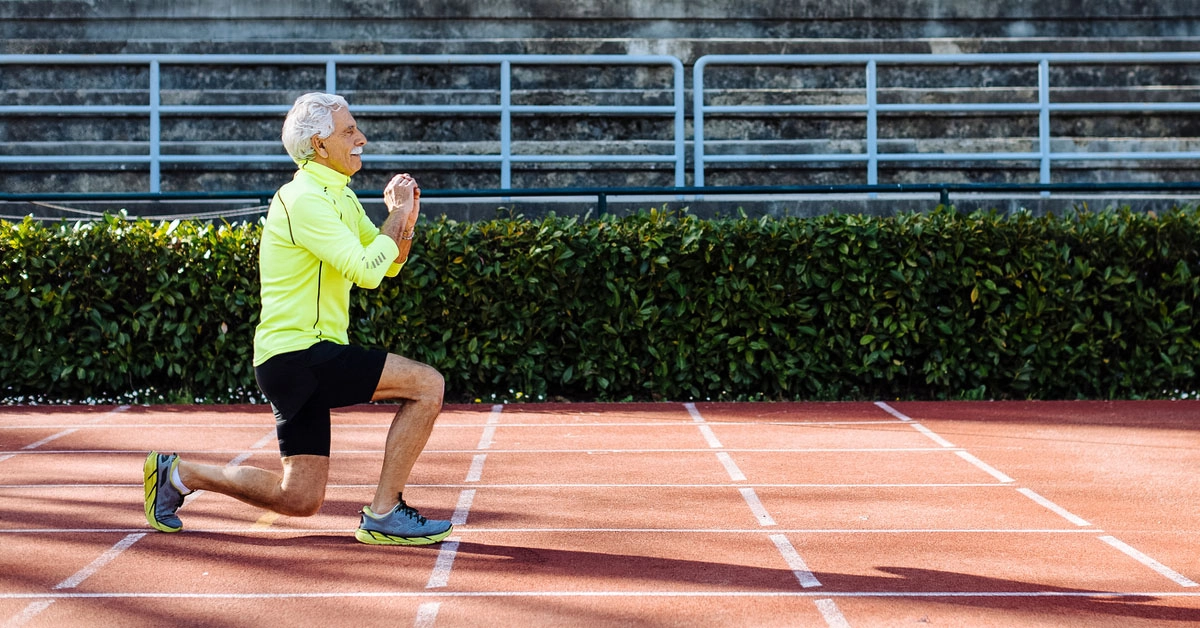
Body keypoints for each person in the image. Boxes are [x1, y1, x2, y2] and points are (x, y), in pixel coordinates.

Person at [143, 92, 452, 546]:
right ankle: (384, 514)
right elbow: (367, 271)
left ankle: (177, 475)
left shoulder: (339, 196)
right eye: (349, 131)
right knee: (428, 385)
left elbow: (388, 263)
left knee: (299, 498)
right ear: (320, 146)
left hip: (300, 359)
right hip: (299, 354)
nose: (361, 138)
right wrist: (397, 215)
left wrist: (406, 219)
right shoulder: (303, 199)